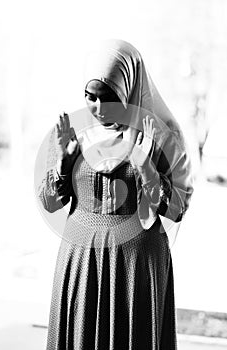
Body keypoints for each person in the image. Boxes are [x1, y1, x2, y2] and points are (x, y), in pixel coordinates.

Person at [37, 39, 194, 350]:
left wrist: (144, 163)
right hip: (80, 261)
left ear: (129, 91)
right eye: (90, 97)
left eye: (108, 98)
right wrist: (64, 162)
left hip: (136, 266)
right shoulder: (77, 134)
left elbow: (176, 209)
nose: (98, 108)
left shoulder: (161, 135)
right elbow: (50, 202)